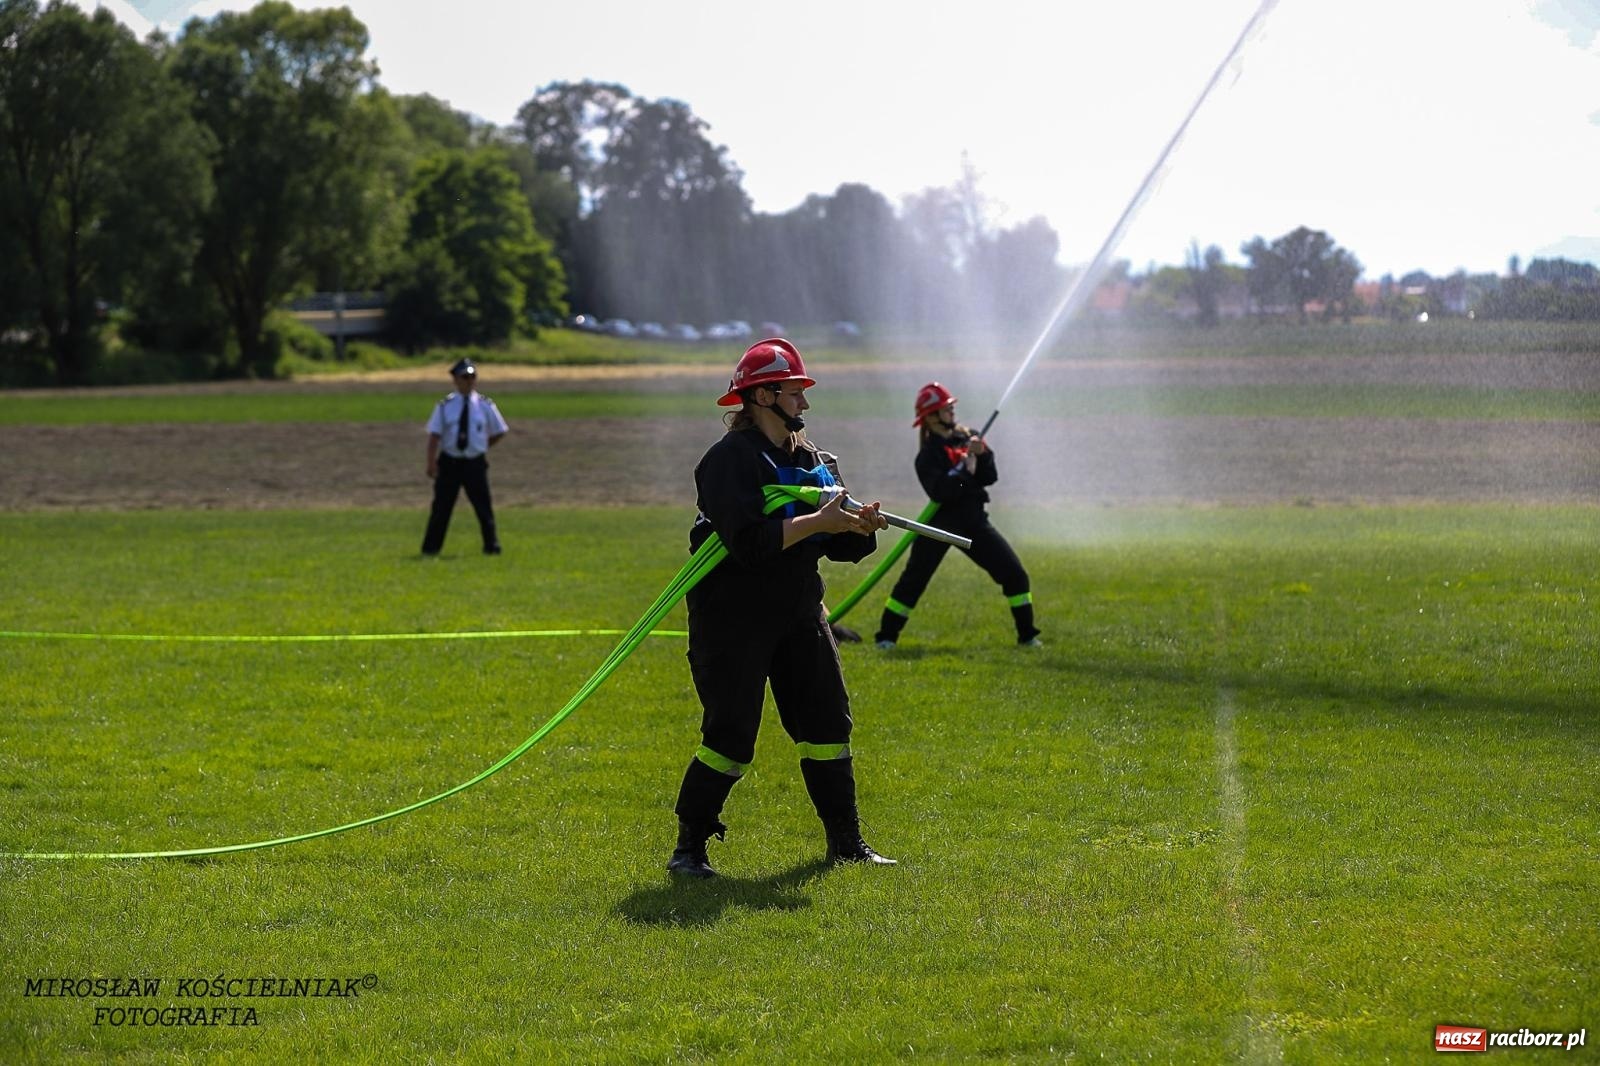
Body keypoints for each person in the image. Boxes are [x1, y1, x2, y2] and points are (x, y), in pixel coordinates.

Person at [667, 338, 896, 879]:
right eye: (796, 393)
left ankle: (847, 843)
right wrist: (820, 521)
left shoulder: (814, 461)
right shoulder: (726, 462)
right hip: (732, 618)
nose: (805, 405)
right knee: (731, 735)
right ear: (762, 395)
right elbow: (749, 543)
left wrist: (859, 529)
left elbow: (836, 547)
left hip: (798, 613)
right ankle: (689, 850)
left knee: (827, 725)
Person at [873, 381, 1041, 649]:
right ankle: (886, 638)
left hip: (974, 522)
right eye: (946, 408)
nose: (952, 412)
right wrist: (967, 469)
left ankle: (1028, 636)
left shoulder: (969, 438)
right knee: (913, 582)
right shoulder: (927, 456)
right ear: (931, 416)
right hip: (940, 525)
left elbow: (991, 477)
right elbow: (942, 492)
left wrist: (982, 455)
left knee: (1015, 574)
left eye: (951, 407)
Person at [421, 358, 508, 556]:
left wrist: (482, 446)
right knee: (441, 508)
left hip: (474, 463)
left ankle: (491, 546)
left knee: (483, 507)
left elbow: (500, 430)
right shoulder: (445, 406)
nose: (469, 381)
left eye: (472, 376)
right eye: (465, 377)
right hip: (450, 462)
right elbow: (435, 435)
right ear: (455, 380)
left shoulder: (485, 405)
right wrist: (431, 462)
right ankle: (431, 548)